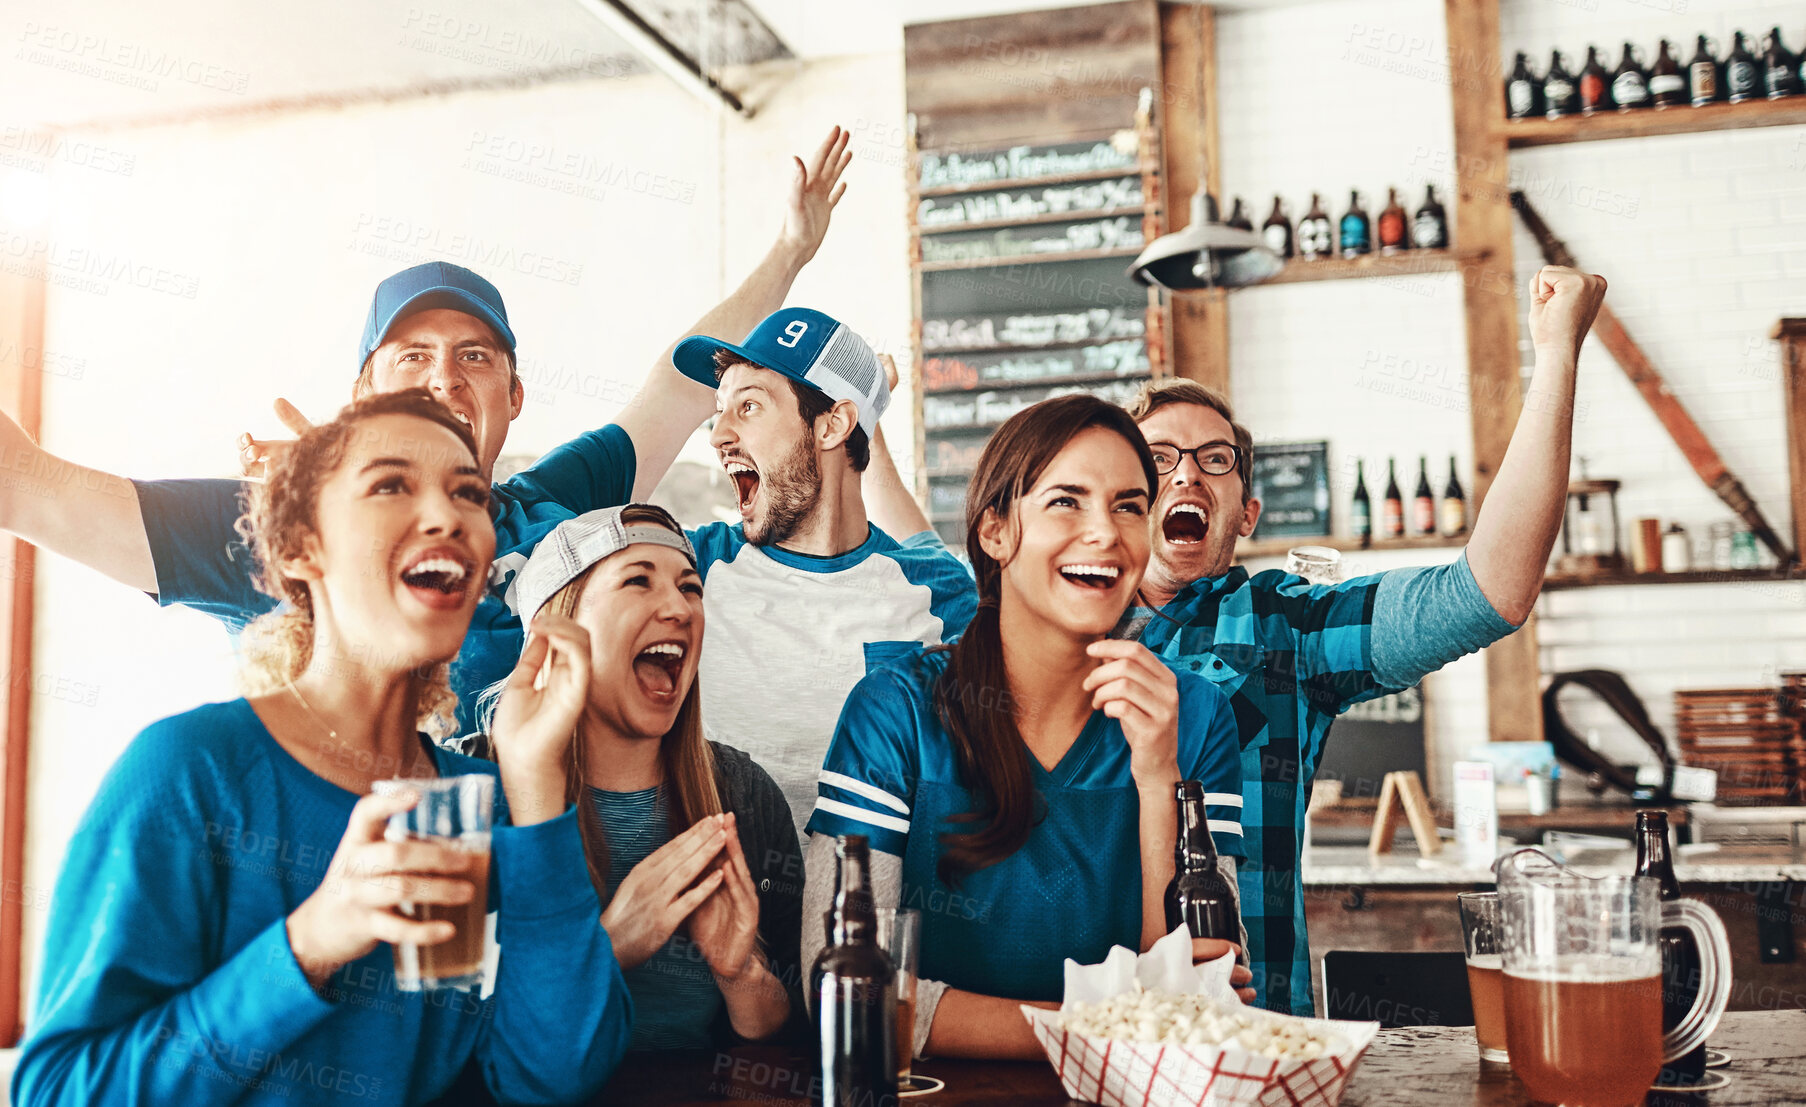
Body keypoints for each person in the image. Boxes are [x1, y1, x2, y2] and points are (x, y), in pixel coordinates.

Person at [0, 128, 889, 734]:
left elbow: (676, 385)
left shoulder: (553, 503)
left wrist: (788, 251)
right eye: (411, 355)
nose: (442, 377)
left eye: (474, 356)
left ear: (513, 396)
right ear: (361, 394)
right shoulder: (278, 529)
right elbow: (30, 484)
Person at [12, 389, 631, 1106]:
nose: (447, 515)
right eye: (390, 484)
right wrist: (310, 942)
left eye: (469, 493)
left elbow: (553, 1076)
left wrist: (533, 782)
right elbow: (55, 1092)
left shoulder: (480, 805)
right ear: (302, 548)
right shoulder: (185, 772)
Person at [1114, 264, 1608, 1016]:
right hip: (1083, 1021)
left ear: (1246, 514)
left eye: (1215, 460)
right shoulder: (1058, 626)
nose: (1186, 475)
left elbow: (1491, 589)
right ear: (1122, 498)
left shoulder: (1288, 624)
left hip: (1259, 1032)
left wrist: (1557, 355)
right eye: (1158, 458)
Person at [802, 394, 1249, 1062]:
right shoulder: (894, 710)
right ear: (995, 531)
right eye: (1067, 500)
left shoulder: (1197, 713)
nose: (1106, 531)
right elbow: (839, 989)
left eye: (1129, 505)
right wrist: (1100, 1027)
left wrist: (1159, 778)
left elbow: (1199, 994)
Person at [482, 503, 804, 1051]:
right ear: (552, 629)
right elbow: (456, 1041)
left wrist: (739, 975)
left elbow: (786, 1029)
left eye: (691, 588)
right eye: (638, 580)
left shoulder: (745, 796)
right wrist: (612, 945)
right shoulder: (474, 796)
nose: (679, 608)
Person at [672, 308, 976, 836]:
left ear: (832, 425)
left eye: (749, 406)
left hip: (876, 911)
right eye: (719, 411)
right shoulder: (689, 567)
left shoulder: (939, 591)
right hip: (719, 914)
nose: (718, 433)